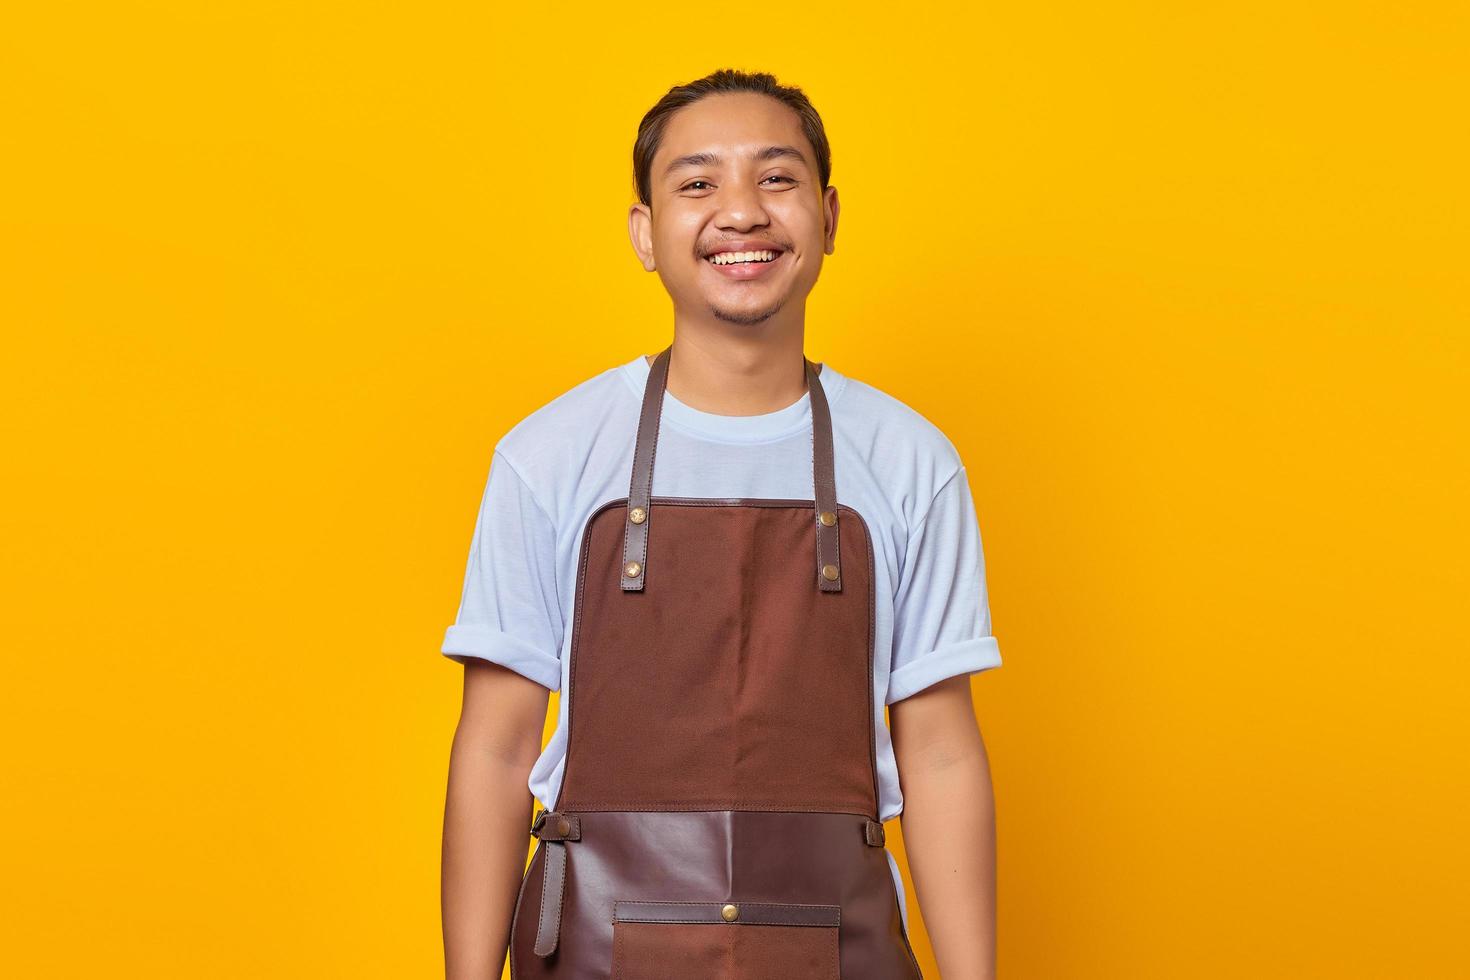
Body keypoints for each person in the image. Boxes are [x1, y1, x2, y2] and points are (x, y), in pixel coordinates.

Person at [440, 68, 1002, 980]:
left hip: (840, 950)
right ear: (644, 232)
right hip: (591, 950)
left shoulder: (910, 461)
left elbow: (938, 754)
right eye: (697, 183)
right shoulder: (549, 453)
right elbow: (497, 749)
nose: (740, 212)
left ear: (827, 216)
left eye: (775, 179)